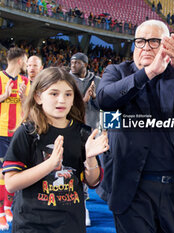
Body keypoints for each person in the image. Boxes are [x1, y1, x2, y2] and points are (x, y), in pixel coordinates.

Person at [96, 20, 174, 233]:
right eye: (140, 42)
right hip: (131, 188)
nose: (146, 47)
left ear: (167, 45)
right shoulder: (117, 72)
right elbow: (105, 99)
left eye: (154, 42)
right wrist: (148, 72)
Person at [2, 67, 109, 232]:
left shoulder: (83, 132)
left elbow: (93, 181)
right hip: (32, 224)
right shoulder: (27, 132)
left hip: (71, 222)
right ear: (38, 97)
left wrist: (90, 158)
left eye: (68, 94)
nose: (62, 100)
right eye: (54, 94)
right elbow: (10, 184)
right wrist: (50, 165)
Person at [0, 47, 30, 231]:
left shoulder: (25, 81)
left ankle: (8, 208)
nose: (26, 64)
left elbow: (28, 108)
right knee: (0, 173)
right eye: (25, 60)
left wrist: (24, 96)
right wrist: (5, 96)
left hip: (18, 134)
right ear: (19, 61)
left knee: (14, 174)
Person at [70, 52, 101, 226]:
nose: (72, 65)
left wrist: (95, 98)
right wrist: (84, 99)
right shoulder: (66, 79)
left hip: (90, 128)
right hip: (71, 127)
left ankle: (83, 194)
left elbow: (105, 104)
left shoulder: (97, 80)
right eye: (71, 62)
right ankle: (81, 205)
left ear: (85, 64)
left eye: (76, 62)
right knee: (74, 163)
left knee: (90, 165)